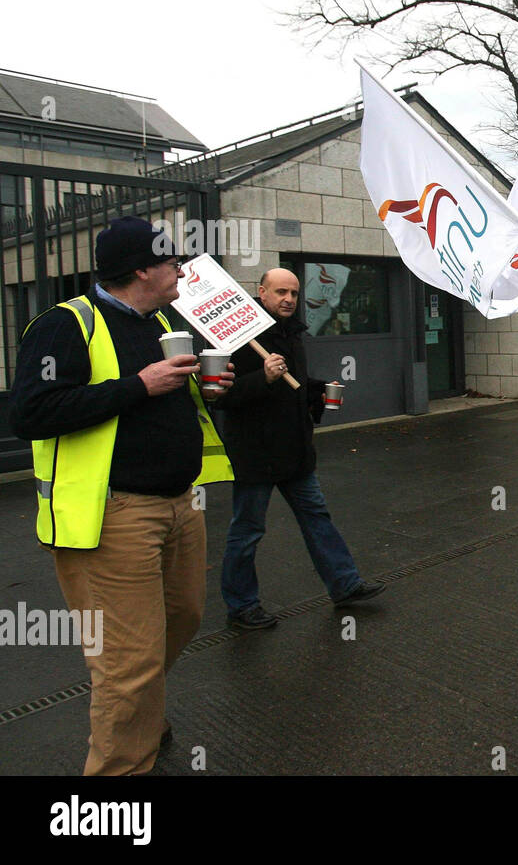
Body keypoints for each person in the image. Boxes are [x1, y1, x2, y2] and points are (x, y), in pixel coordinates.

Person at [8, 216, 235, 775]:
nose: (182, 270)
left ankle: (139, 714)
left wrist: (212, 390)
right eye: (172, 262)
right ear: (141, 269)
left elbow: (168, 403)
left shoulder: (160, 320)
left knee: (182, 619)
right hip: (114, 515)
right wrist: (139, 385)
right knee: (127, 662)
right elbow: (31, 414)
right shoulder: (66, 325)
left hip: (181, 505)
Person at [215, 268, 384, 629]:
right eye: (280, 292)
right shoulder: (237, 338)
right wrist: (263, 377)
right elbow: (222, 398)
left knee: (317, 519)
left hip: (295, 452)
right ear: (261, 292)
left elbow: (294, 386)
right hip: (255, 455)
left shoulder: (292, 334)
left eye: (293, 292)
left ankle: (344, 584)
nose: (288, 299)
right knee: (247, 531)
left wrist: (319, 389)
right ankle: (241, 605)